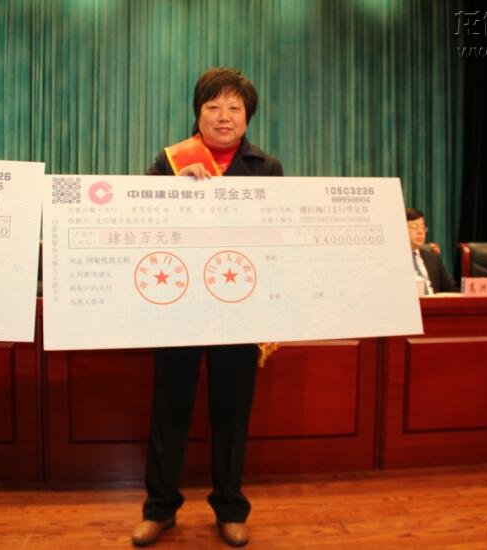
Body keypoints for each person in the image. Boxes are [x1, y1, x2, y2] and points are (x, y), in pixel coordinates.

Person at [132, 67, 282, 548]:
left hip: (238, 306)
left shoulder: (266, 167)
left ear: (247, 116)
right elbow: (137, 222)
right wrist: (174, 193)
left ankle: (231, 508)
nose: (223, 116)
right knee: (168, 412)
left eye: (234, 107)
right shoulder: (169, 162)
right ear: (197, 113)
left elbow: (277, 238)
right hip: (178, 306)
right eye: (213, 106)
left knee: (233, 415)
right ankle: (159, 509)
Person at [405, 208, 458, 294]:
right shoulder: (393, 260)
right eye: (415, 227)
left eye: (423, 227)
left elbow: (452, 289)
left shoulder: (433, 259)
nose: (420, 232)